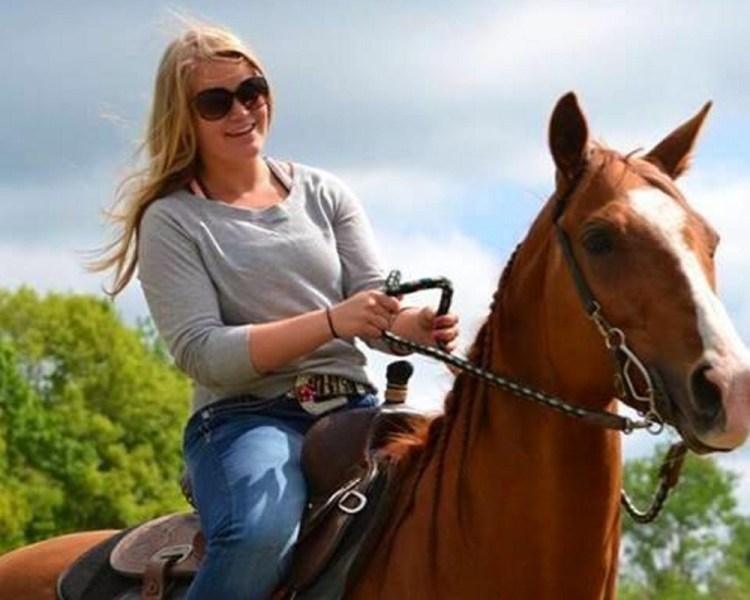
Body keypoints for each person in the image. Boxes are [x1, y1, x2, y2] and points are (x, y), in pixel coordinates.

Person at [93, 21, 459, 600]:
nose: (241, 111)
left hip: (355, 407)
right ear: (183, 118)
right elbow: (205, 356)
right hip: (247, 419)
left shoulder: (325, 193)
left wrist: (413, 328)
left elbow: (375, 308)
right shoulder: (171, 221)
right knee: (260, 533)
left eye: (251, 91)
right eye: (215, 102)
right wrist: (333, 321)